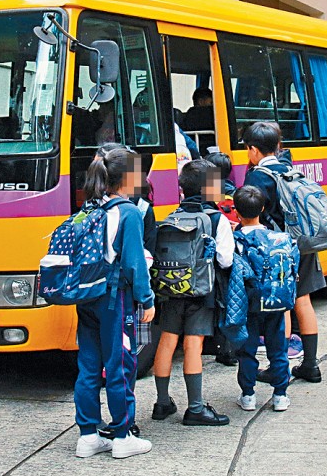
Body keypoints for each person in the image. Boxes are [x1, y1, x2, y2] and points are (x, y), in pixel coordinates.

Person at [73, 145, 156, 460]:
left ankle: (88, 435)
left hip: (87, 297)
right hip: (115, 299)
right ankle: (122, 435)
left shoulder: (88, 209)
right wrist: (146, 300)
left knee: (89, 368)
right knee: (119, 365)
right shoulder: (129, 212)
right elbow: (135, 264)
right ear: (128, 177)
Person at [150, 159, 234, 426]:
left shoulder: (172, 216)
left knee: (167, 340)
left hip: (170, 289)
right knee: (193, 345)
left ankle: (162, 403)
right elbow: (225, 260)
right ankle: (195, 408)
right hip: (201, 292)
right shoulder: (215, 219)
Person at [242, 121, 325, 383]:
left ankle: (279, 370)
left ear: (253, 149)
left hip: (278, 249)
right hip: (304, 244)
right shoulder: (290, 169)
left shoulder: (257, 176)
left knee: (283, 306)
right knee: (304, 301)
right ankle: (310, 364)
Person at [232, 185, 294, 413]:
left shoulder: (236, 239)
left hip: (248, 302)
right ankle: (280, 395)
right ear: (264, 208)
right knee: (278, 348)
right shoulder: (280, 238)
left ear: (236, 211)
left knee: (247, 350)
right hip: (275, 300)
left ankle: (248, 395)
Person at [205, 150, 239, 366]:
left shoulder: (209, 196)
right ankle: (229, 350)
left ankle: (221, 348)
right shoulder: (234, 194)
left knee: (219, 305)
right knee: (229, 305)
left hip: (215, 260)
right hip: (230, 256)